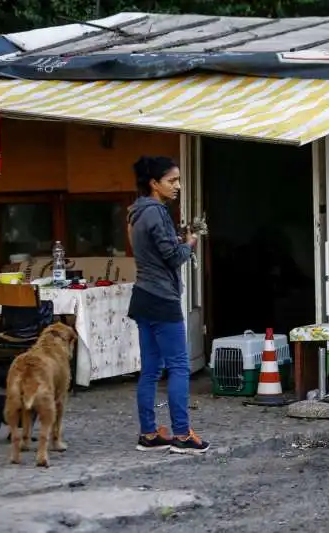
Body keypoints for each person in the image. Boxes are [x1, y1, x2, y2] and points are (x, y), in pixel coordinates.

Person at [126, 155, 209, 455]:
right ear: (154, 184)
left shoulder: (135, 213)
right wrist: (189, 245)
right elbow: (172, 258)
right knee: (178, 367)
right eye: (172, 181)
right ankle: (183, 435)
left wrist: (175, 243)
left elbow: (150, 252)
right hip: (162, 298)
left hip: (142, 296)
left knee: (149, 370)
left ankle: (149, 434)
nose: (178, 186)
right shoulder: (157, 212)